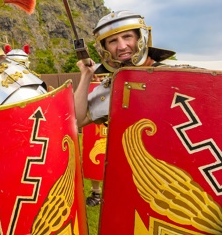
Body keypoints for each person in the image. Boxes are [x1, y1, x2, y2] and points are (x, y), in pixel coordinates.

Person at [74, 10, 175, 205]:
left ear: (141, 37)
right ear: (105, 48)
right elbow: (77, 120)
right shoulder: (113, 87)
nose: (121, 46)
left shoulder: (174, 77)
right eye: (112, 41)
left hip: (177, 184)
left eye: (127, 36)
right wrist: (86, 75)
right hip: (130, 183)